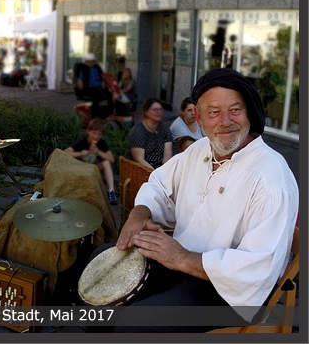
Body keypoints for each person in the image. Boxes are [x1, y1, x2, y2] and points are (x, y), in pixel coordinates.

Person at [90, 68, 299, 333]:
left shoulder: (271, 180)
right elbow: (160, 184)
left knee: (136, 320)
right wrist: (139, 214)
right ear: (198, 118)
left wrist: (182, 258)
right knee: (102, 270)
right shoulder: (200, 149)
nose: (225, 121)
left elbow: (257, 271)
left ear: (249, 113)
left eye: (235, 110)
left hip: (226, 292)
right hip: (178, 262)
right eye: (213, 112)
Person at [64, 118, 118, 205]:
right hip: (82, 169)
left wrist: (98, 152)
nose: (96, 136)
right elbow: (65, 152)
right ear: (88, 131)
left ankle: (111, 192)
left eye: (99, 134)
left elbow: (112, 159)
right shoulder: (83, 142)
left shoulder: (101, 143)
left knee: (106, 162)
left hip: (95, 169)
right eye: (94, 133)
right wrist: (80, 154)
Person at [128, 98, 173, 169]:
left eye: (160, 110)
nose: (158, 112)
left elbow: (168, 153)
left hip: (161, 169)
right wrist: (154, 173)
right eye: (155, 110)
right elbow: (139, 159)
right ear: (146, 111)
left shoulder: (164, 128)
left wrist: (164, 170)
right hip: (143, 170)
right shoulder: (138, 131)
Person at [76, 53, 112, 119]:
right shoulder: (84, 69)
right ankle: (95, 116)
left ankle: (108, 114)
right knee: (96, 97)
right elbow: (80, 80)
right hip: (90, 88)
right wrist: (80, 82)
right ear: (86, 62)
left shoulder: (97, 68)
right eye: (89, 61)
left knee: (110, 95)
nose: (91, 63)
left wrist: (104, 82)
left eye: (93, 61)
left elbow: (103, 77)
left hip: (100, 87)